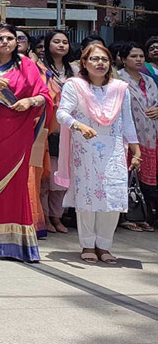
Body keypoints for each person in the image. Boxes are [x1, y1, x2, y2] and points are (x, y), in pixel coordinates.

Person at [0, 22, 50, 262]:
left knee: (17, 185)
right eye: (0, 38)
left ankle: (18, 243)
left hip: (20, 129)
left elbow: (44, 95)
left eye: (10, 38)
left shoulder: (27, 64)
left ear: (16, 41)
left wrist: (30, 102)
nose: (5, 42)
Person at [54, 43, 140, 265]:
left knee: (112, 197)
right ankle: (88, 244)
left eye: (104, 59)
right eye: (94, 59)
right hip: (85, 150)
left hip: (114, 150)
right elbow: (62, 113)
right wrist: (79, 126)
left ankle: (104, 245)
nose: (100, 63)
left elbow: (127, 121)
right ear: (84, 62)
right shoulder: (74, 86)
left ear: (110, 63)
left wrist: (136, 150)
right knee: (88, 197)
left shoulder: (120, 88)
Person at [118, 42, 158, 230]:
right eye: (134, 56)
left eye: (141, 56)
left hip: (151, 134)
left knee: (145, 179)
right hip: (127, 135)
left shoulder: (149, 80)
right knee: (127, 176)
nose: (139, 59)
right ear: (123, 59)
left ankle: (142, 215)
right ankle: (125, 217)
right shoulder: (118, 79)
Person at [39, 30, 75, 233]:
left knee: (62, 178)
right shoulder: (40, 68)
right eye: (57, 41)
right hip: (47, 124)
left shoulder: (74, 70)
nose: (61, 45)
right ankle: (44, 216)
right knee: (46, 177)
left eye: (65, 42)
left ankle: (57, 216)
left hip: (68, 127)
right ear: (47, 44)